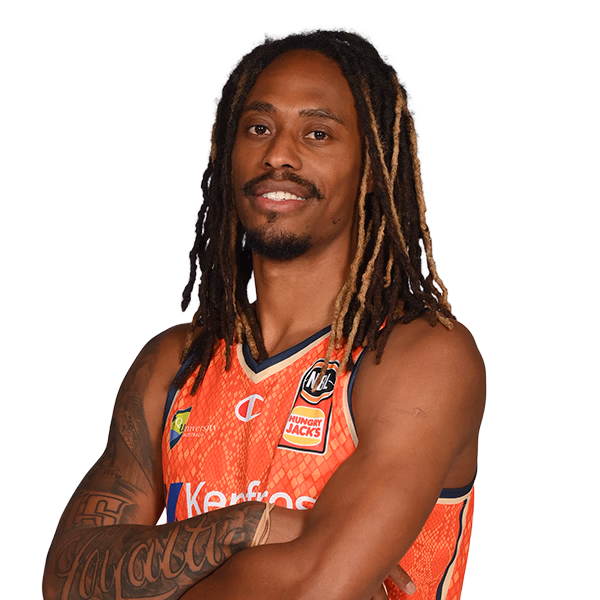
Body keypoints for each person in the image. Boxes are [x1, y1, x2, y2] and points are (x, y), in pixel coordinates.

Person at [43, 29, 486, 600]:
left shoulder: (421, 357)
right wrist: (246, 524)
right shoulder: (174, 363)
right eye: (258, 128)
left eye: (317, 133)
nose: (278, 154)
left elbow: (311, 588)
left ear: (372, 167)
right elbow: (65, 579)